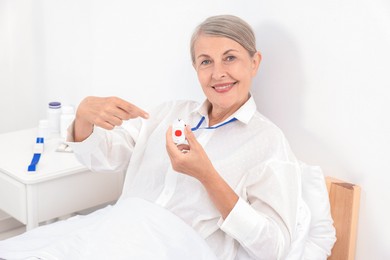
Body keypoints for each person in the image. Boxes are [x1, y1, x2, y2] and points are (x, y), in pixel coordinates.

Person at [0, 15, 335, 260]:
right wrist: (84, 119)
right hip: (113, 233)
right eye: (206, 61)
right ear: (195, 68)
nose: (218, 72)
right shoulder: (169, 114)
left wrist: (207, 175)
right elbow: (101, 158)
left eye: (230, 58)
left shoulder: (268, 143)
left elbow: (273, 247)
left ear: (254, 62)